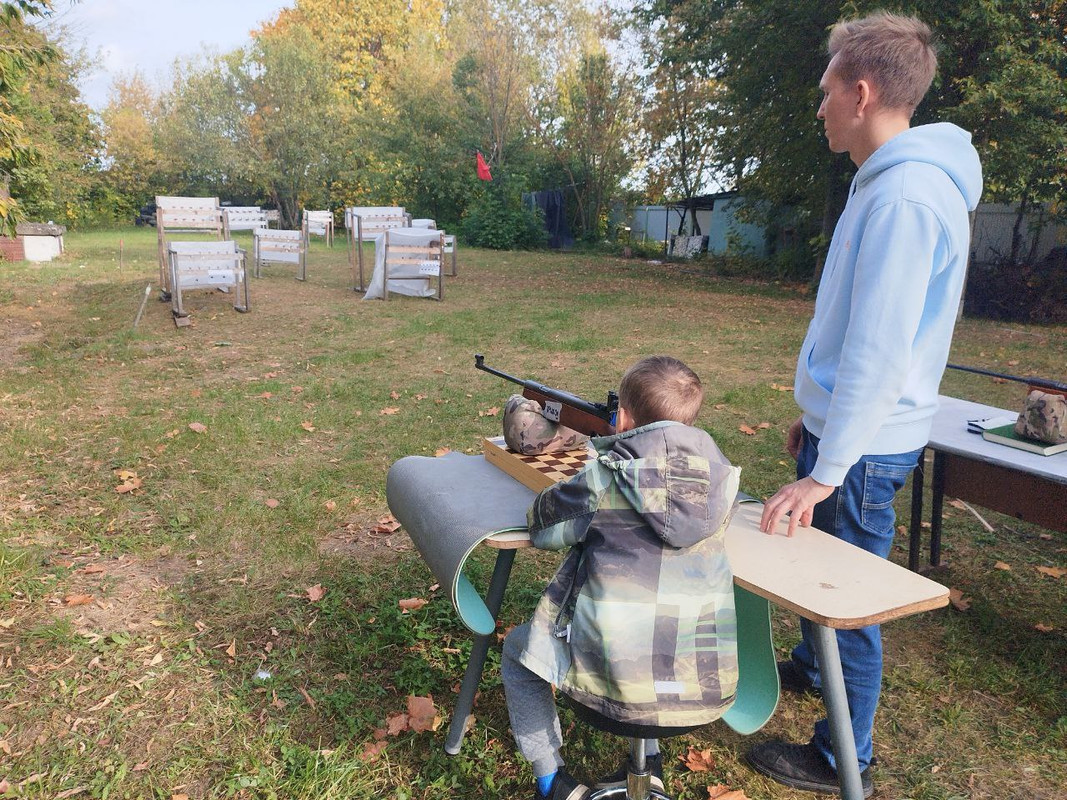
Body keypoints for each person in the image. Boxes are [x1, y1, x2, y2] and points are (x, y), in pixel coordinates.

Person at [748, 11, 982, 798]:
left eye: (824, 93)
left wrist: (831, 465)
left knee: (843, 593)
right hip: (849, 432)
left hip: (868, 443)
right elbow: (854, 332)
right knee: (823, 569)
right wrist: (815, 422)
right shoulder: (883, 181)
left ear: (860, 90)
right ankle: (815, 668)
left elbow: (881, 354)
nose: (817, 108)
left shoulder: (906, 198)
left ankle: (844, 754)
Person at [501, 355, 742, 800]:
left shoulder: (604, 480)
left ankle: (552, 783)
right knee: (660, 622)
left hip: (614, 691)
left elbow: (543, 525)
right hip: (705, 687)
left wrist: (598, 462)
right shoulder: (724, 483)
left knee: (519, 653)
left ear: (625, 417)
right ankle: (646, 763)